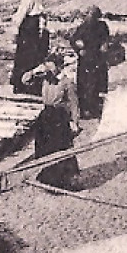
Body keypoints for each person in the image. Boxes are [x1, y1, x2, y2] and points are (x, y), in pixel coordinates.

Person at [20, 49, 81, 188]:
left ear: (58, 66)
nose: (48, 70)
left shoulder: (67, 82)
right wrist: (35, 71)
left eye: (51, 66)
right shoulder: (45, 79)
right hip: (46, 115)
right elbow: (24, 80)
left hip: (59, 117)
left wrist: (75, 122)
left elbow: (74, 103)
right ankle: (47, 176)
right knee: (43, 146)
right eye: (47, 66)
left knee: (60, 147)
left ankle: (64, 179)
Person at [10, 0, 54, 94]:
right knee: (25, 58)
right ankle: (21, 85)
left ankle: (32, 86)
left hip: (36, 30)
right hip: (28, 30)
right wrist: (15, 32)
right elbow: (20, 16)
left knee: (36, 57)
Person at [69, 5, 111, 120]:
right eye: (89, 14)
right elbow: (73, 40)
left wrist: (105, 44)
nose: (90, 17)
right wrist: (79, 48)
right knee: (85, 85)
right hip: (86, 60)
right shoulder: (83, 27)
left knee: (98, 84)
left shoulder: (102, 26)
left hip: (98, 58)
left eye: (93, 15)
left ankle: (95, 108)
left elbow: (106, 38)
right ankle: (85, 109)